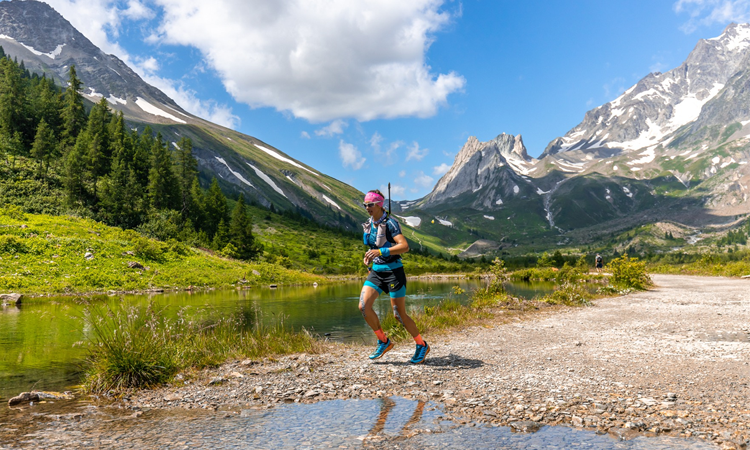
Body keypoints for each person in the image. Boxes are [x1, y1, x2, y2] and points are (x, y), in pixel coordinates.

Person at [359, 190, 429, 364]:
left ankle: (421, 345)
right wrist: (368, 257)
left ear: (379, 205)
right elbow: (372, 245)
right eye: (365, 204)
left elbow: (404, 246)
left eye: (370, 204)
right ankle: (383, 341)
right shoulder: (369, 224)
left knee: (399, 314)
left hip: (393, 272)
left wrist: (381, 251)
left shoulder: (390, 223)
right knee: (363, 307)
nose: (367, 207)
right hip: (376, 271)